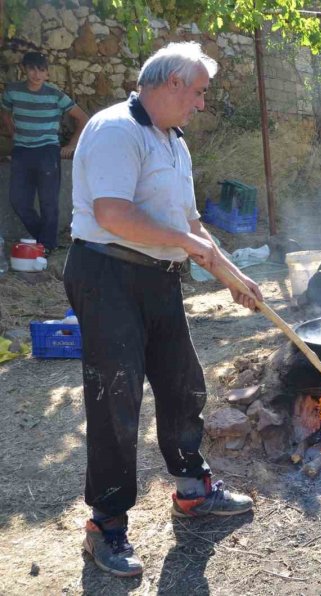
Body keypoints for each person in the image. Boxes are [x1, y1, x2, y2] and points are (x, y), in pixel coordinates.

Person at [64, 41, 263, 578]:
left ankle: (193, 490)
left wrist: (232, 276)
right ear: (171, 83)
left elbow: (192, 226)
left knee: (183, 384)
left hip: (157, 277)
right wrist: (187, 243)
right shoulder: (114, 130)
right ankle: (105, 525)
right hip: (106, 274)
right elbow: (112, 214)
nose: (201, 104)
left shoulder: (174, 142)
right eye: (197, 92)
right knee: (116, 397)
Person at [1, 51, 88, 251]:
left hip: (47, 151)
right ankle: (44, 239)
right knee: (18, 200)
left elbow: (83, 118)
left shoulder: (55, 94)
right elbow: (5, 111)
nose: (36, 74)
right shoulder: (12, 92)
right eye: (32, 69)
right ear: (24, 69)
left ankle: (46, 246)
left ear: (47, 73)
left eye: (41, 70)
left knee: (49, 202)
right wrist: (11, 129)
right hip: (22, 151)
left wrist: (71, 146)